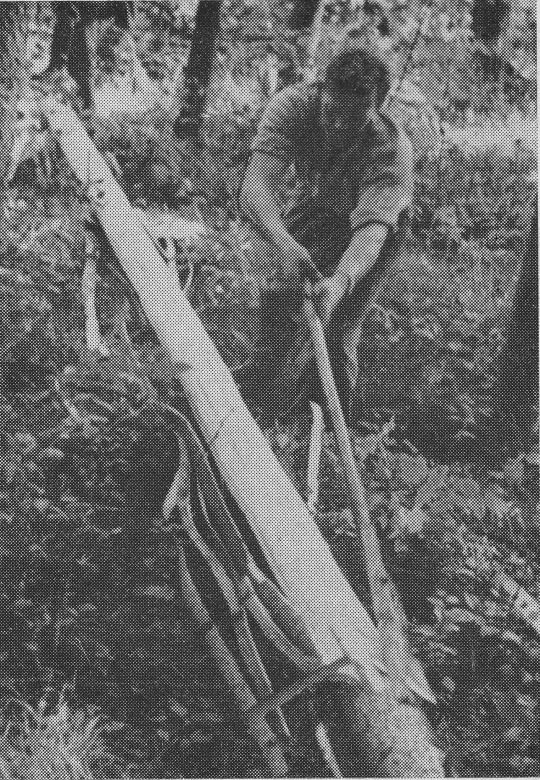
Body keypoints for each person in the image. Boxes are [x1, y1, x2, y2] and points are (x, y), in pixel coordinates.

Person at [238, 46, 414, 421]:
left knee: (338, 328)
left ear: (378, 106)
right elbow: (255, 187)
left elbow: (370, 233)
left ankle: (331, 432)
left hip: (373, 230)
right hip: (315, 203)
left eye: (351, 121)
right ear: (322, 89)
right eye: (331, 114)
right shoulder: (292, 106)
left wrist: (339, 283)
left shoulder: (392, 150)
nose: (336, 127)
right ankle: (261, 406)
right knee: (279, 302)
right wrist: (285, 243)